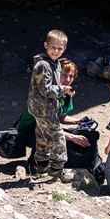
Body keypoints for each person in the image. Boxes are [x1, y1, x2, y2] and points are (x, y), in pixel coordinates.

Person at [26, 29, 75, 180]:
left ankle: (41, 165)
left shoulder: (56, 64)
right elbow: (45, 89)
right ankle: (57, 169)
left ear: (64, 49)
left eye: (60, 48)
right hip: (43, 109)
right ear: (46, 45)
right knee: (58, 138)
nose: (56, 51)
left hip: (44, 109)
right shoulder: (43, 65)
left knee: (42, 135)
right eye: (53, 47)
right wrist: (63, 90)